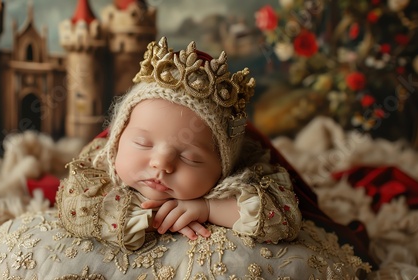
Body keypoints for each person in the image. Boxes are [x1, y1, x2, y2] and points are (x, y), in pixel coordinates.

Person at [57, 36, 302, 251]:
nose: (161, 164)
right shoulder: (98, 164)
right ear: (118, 139)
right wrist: (152, 216)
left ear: (223, 168)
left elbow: (283, 218)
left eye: (190, 158)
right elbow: (76, 209)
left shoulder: (246, 174)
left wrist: (208, 208)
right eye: (142, 143)